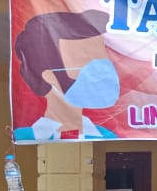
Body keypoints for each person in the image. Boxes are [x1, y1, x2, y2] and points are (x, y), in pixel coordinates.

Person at [13, 10, 120, 141]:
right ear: (48, 75)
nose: (99, 69)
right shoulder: (24, 137)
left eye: (101, 56)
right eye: (83, 58)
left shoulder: (108, 137)